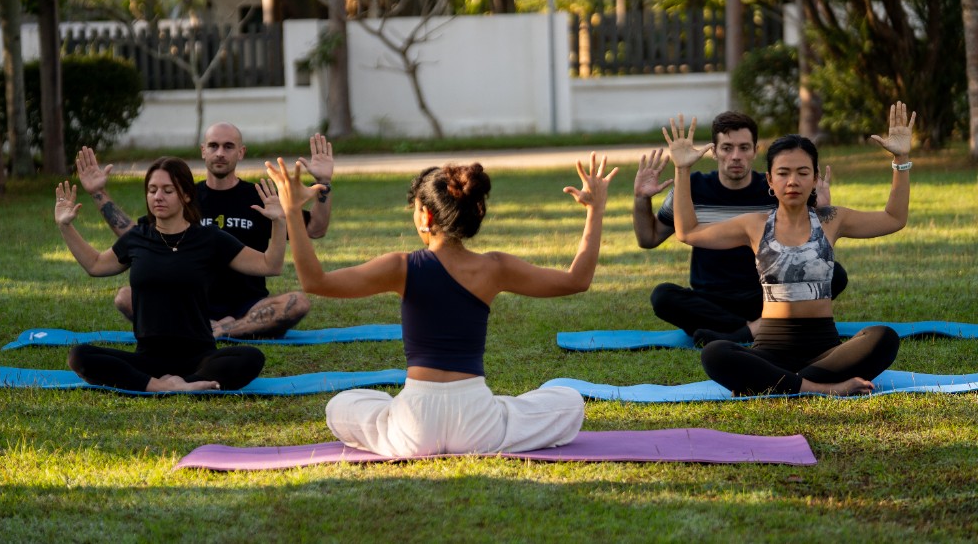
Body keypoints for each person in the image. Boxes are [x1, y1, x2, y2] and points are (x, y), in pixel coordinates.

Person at [266, 153, 618, 458]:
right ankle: (495, 414)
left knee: (341, 405)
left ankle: (399, 418)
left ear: (426, 217)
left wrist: (293, 212)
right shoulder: (495, 268)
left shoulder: (402, 267)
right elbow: (577, 280)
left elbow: (315, 282)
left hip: (413, 426)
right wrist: (595, 210)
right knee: (568, 400)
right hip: (479, 424)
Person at [662, 103, 913, 396]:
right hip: (770, 349)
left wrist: (901, 159)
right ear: (770, 179)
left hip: (825, 351)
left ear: (814, 178)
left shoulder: (831, 219)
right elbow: (688, 232)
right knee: (715, 353)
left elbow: (894, 218)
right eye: (783, 173)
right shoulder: (754, 224)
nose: (793, 181)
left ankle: (777, 383)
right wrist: (682, 169)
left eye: (802, 172)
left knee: (884, 337)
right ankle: (820, 387)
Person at [75, 125, 334, 338]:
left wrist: (323, 182)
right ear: (203, 151)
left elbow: (316, 229)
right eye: (213, 146)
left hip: (248, 305)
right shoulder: (184, 196)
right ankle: (212, 327)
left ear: (241, 152)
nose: (220, 153)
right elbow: (137, 238)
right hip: (189, 302)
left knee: (297, 303)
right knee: (126, 297)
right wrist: (98, 193)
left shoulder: (260, 197)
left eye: (228, 146)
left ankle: (225, 329)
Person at [56, 157, 285, 392]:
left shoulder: (210, 238)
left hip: (199, 357)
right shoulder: (137, 237)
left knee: (251, 357)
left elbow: (270, 265)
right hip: (148, 359)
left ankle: (181, 383)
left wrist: (278, 221)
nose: (158, 197)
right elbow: (95, 265)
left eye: (168, 191)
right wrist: (65, 226)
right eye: (152, 190)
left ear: (186, 195)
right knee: (80, 355)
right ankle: (163, 385)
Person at [632, 111, 848, 345]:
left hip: (769, 295)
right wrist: (641, 199)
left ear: (755, 150)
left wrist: (820, 212)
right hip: (711, 300)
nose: (736, 156)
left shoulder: (777, 189)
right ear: (714, 151)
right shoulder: (691, 188)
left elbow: (809, 252)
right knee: (663, 296)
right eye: (727, 148)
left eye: (744, 148)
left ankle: (736, 332)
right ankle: (754, 328)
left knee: (835, 274)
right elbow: (648, 238)